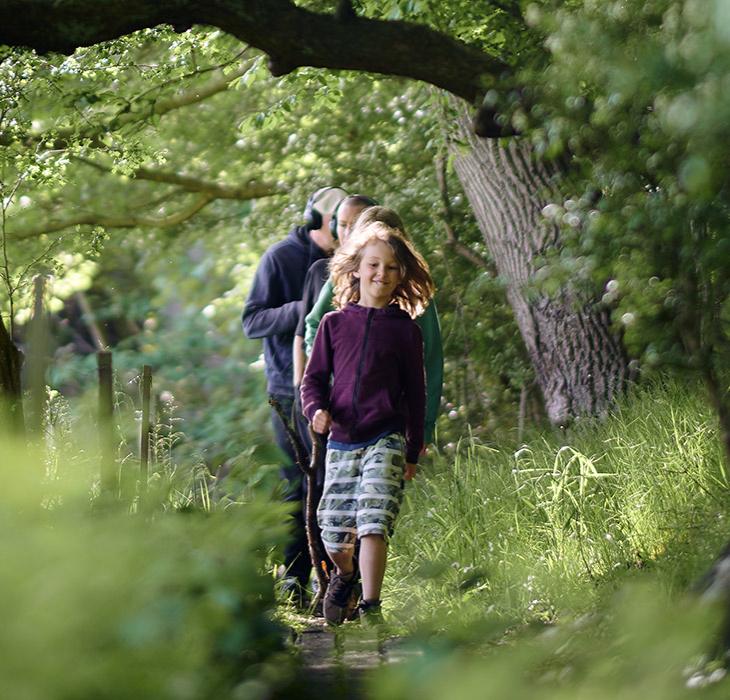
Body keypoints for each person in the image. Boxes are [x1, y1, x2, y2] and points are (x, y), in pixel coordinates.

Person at [300, 217, 435, 625]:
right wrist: (316, 411)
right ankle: (346, 576)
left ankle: (373, 608)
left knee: (373, 520)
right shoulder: (334, 324)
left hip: (386, 438)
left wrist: (412, 449)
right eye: (374, 264)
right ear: (356, 269)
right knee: (334, 533)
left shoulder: (405, 331)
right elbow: (313, 382)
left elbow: (416, 395)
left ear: (401, 276)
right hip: (341, 440)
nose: (382, 273)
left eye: (392, 267)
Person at [242, 185, 347, 606]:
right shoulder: (280, 258)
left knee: (331, 485)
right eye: (339, 222)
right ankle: (293, 580)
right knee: (299, 486)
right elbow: (252, 321)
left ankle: (335, 583)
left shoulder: (350, 260)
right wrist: (303, 309)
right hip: (289, 389)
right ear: (320, 221)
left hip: (338, 392)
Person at [304, 206, 444, 444]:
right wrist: (328, 390)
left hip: (390, 425)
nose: (381, 270)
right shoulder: (341, 283)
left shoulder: (418, 298)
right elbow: (315, 328)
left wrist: (424, 430)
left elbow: (430, 363)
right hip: (341, 419)